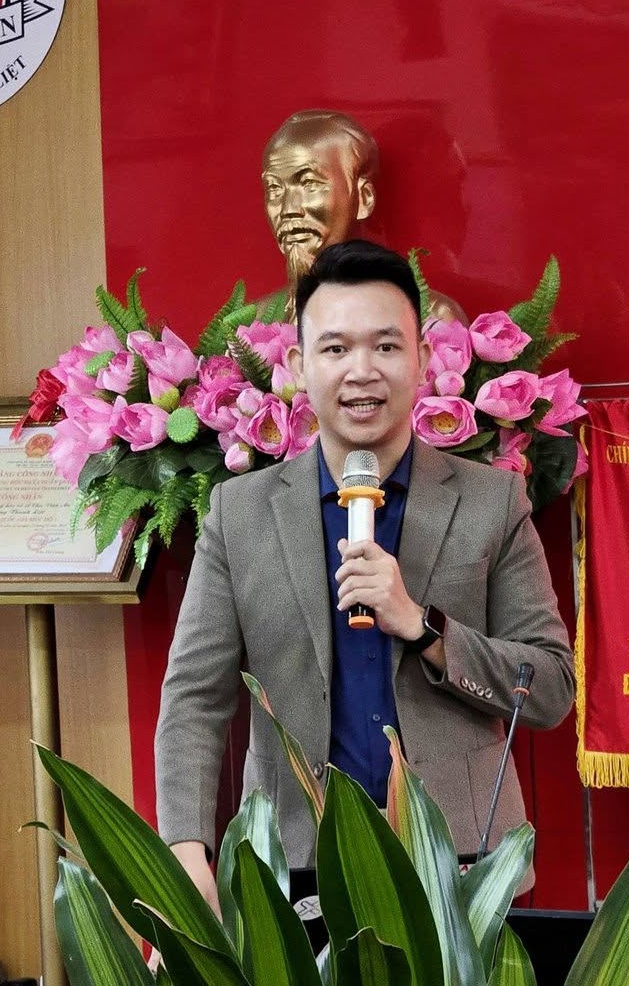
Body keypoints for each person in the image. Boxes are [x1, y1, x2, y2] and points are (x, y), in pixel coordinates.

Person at [155, 238, 573, 905]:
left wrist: (425, 627)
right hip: (292, 861)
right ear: (298, 365)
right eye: (335, 348)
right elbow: (193, 698)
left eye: (385, 346)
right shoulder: (241, 514)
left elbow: (547, 688)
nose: (361, 371)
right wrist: (184, 848)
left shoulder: (491, 502)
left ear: (423, 359)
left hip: (461, 862)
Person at [260, 110, 463, 323]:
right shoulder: (250, 325)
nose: (288, 208)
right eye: (274, 188)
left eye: (310, 183)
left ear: (364, 197)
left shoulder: (430, 318)